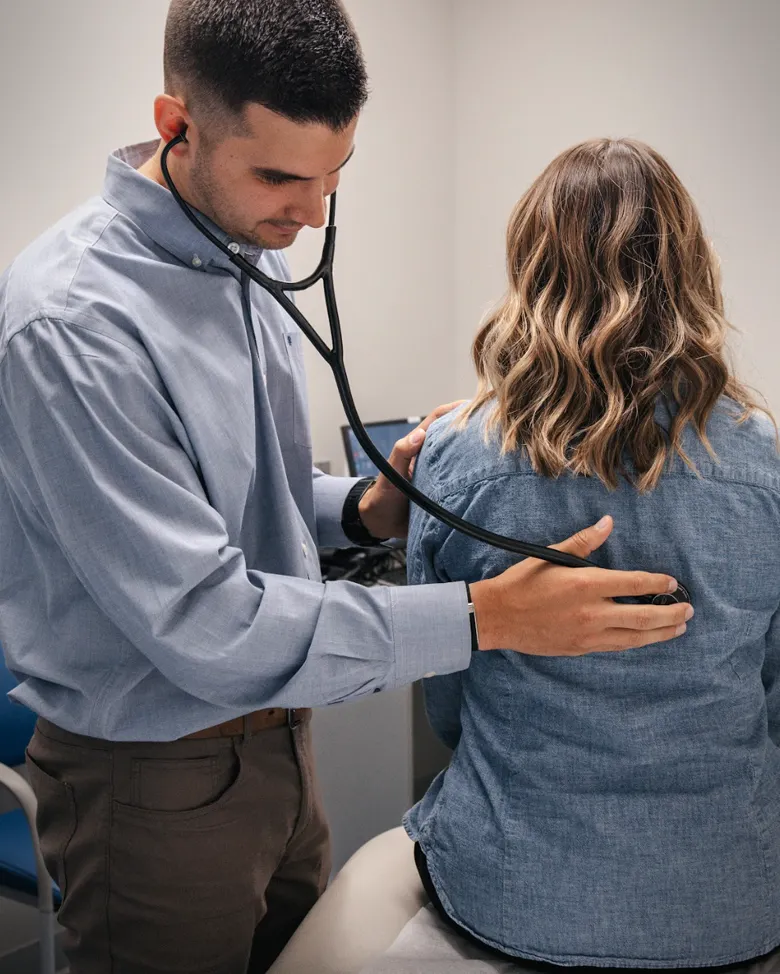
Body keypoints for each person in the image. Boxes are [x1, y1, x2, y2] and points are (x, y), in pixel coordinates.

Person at [0, 0, 691, 968]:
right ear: (176, 127)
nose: (311, 212)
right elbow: (210, 623)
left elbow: (249, 502)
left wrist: (367, 506)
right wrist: (487, 615)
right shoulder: (73, 327)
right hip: (152, 778)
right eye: (281, 175)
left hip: (285, 749)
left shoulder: (249, 254)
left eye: (336, 176)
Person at [404, 137, 780, 972]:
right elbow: (774, 695)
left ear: (532, 267)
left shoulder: (458, 456)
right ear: (689, 267)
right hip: (729, 905)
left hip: (509, 890)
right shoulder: (764, 465)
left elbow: (447, 698)